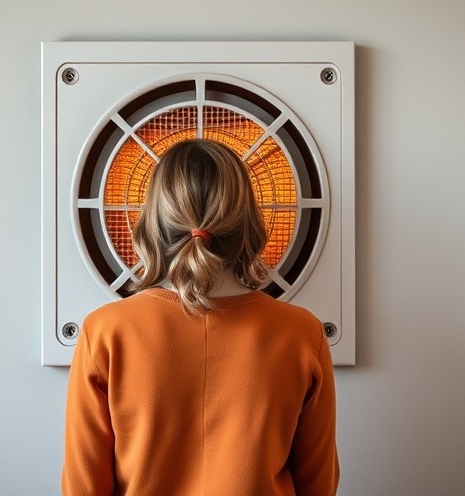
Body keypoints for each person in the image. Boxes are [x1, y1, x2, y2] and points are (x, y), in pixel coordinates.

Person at [61, 139, 339, 495]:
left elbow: (83, 487)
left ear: (154, 223)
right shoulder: (303, 334)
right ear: (247, 222)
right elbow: (320, 486)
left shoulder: (104, 332)